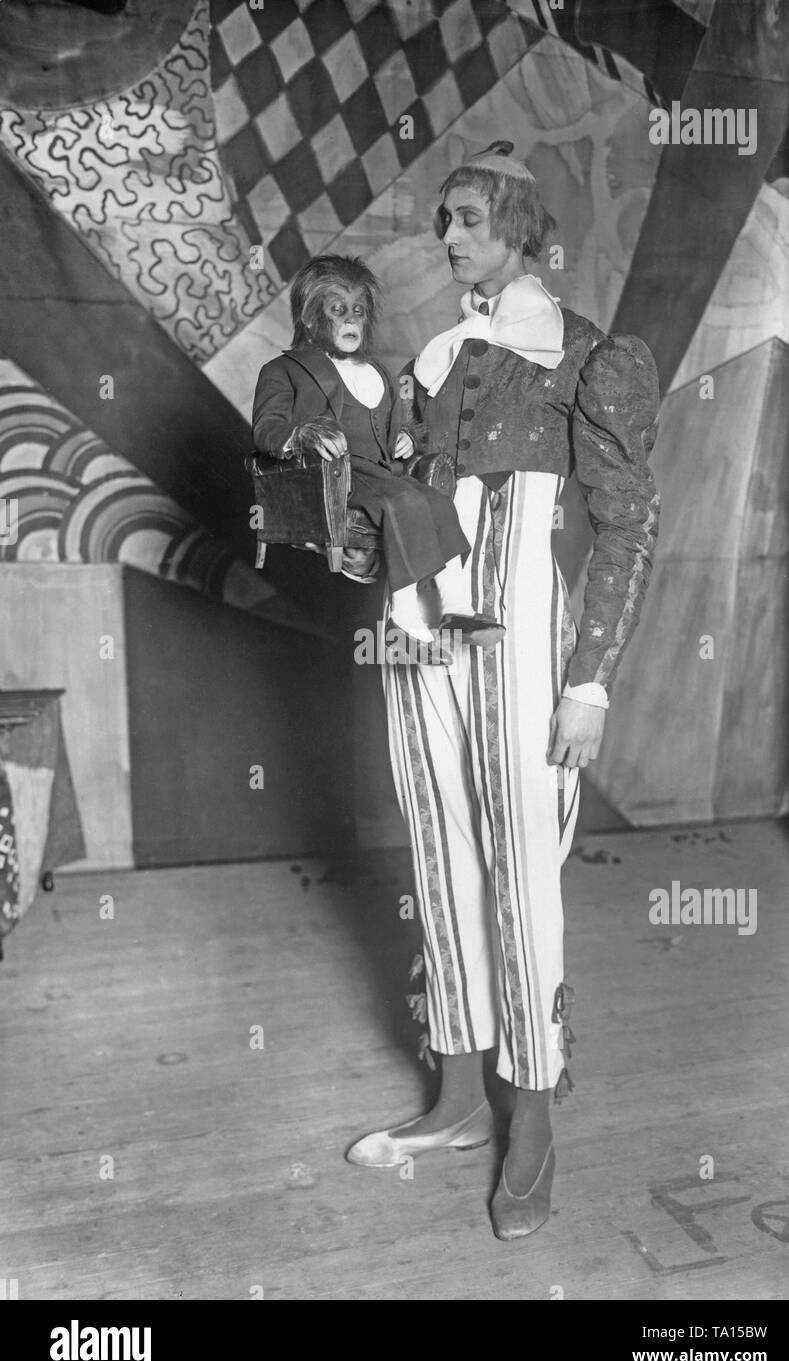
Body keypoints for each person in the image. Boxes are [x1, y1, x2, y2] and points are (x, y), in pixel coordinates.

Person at [342, 142, 661, 1241]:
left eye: (469, 217)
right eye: (445, 219)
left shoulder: (588, 357)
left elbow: (628, 525)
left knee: (522, 872)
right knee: (437, 850)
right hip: (419, 631)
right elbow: (398, 504)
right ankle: (460, 1097)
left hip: (528, 642)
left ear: (521, 228)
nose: (450, 235)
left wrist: (591, 685)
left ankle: (532, 1120)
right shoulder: (429, 361)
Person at [251, 254, 504, 654]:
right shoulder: (284, 370)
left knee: (437, 503)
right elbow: (267, 430)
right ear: (312, 318)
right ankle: (406, 609)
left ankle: (457, 608)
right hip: (330, 476)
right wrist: (304, 433)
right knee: (403, 501)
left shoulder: (378, 373)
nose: (351, 321)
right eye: (338, 311)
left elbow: (391, 432)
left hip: (380, 472)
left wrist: (406, 438)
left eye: (358, 312)